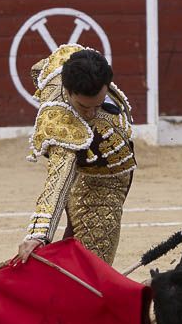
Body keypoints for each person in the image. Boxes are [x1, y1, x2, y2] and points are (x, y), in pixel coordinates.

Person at [17, 45, 137, 268]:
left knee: (76, 247)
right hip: (97, 184)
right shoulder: (63, 125)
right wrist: (38, 234)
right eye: (83, 106)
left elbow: (38, 69)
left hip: (112, 167)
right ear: (68, 90)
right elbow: (58, 180)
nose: (91, 113)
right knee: (91, 265)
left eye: (98, 105)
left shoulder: (70, 60)